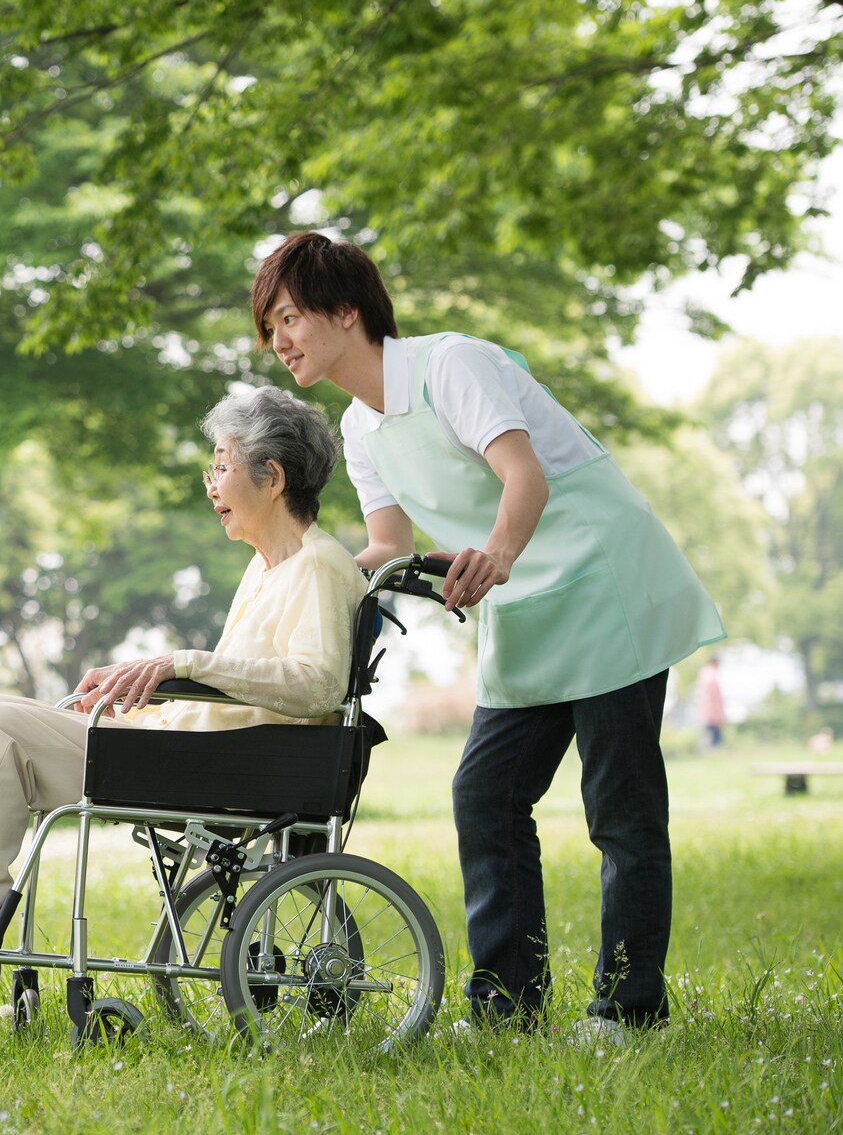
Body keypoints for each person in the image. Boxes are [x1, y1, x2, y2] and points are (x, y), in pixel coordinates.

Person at [249, 231, 724, 1040]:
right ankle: (508, 1007)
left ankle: (627, 1008)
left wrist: (496, 555)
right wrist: (297, 570)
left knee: (622, 808)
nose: (279, 341)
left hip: (603, 577)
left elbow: (524, 476)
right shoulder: (360, 430)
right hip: (526, 604)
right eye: (270, 329)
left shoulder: (450, 366)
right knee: (487, 795)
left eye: (290, 317)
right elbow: (388, 549)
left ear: (346, 310)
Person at [0, 387, 367, 1004]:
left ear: (271, 477)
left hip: (219, 767)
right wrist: (139, 692)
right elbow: (231, 686)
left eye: (221, 465)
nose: (212, 484)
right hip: (188, 747)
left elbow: (319, 684)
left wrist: (179, 662)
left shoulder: (320, 567)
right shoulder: (267, 567)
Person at [696, 657, 727, 749]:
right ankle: (713, 749)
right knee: (713, 734)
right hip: (712, 709)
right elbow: (713, 694)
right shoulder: (710, 674)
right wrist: (718, 712)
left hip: (706, 709)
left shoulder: (703, 672)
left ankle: (710, 748)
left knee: (711, 731)